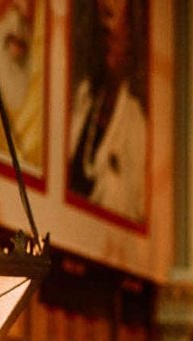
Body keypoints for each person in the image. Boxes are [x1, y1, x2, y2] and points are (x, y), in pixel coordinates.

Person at [67, 0, 147, 222]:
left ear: (130, 42)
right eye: (104, 33)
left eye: (117, 34)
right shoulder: (83, 98)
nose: (109, 40)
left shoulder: (137, 125)